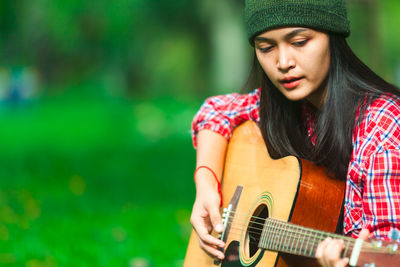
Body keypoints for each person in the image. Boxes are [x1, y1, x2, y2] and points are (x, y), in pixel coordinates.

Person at [189, 0, 400, 266]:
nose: (283, 62)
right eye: (266, 48)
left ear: (332, 37)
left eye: (299, 42)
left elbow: (389, 244)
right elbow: (215, 111)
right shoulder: (284, 105)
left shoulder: (381, 125)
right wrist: (207, 185)